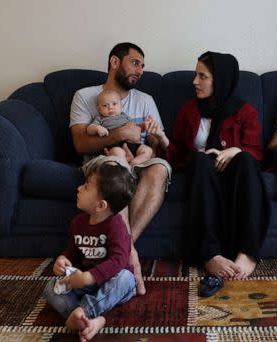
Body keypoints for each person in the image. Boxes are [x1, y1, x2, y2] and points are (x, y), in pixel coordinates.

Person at [70, 42, 171, 296]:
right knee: (116, 165)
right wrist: (119, 134)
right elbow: (81, 143)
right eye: (135, 62)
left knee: (160, 169)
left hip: (138, 160)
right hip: (103, 161)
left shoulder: (146, 100)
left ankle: (122, 249)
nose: (140, 70)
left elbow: (157, 149)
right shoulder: (85, 96)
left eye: (143, 66)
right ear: (115, 62)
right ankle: (129, 257)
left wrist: (156, 139)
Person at [163, 51, 269, 288]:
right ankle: (210, 254)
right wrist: (159, 140)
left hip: (235, 175)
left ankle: (247, 252)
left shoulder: (246, 112)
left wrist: (236, 150)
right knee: (200, 161)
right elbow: (178, 153)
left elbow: (257, 154)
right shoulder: (189, 110)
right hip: (202, 174)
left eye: (203, 76)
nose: (195, 82)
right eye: (195, 75)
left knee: (245, 160)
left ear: (220, 80)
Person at [43, 159, 137, 341]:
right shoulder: (78, 222)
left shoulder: (116, 226)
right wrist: (63, 260)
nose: (79, 188)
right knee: (50, 289)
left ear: (101, 205)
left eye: (86, 187)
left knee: (126, 278)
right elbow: (73, 250)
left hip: (112, 282)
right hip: (85, 284)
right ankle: (91, 321)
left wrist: (89, 277)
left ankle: (85, 311)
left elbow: (118, 261)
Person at [86, 89, 153, 166]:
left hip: (133, 144)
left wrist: (143, 125)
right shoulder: (100, 119)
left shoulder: (124, 116)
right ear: (99, 110)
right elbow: (89, 129)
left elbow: (135, 127)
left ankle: (134, 164)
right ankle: (126, 168)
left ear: (121, 106)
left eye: (114, 104)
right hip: (115, 145)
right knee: (117, 153)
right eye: (105, 105)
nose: (110, 107)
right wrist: (97, 128)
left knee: (147, 150)